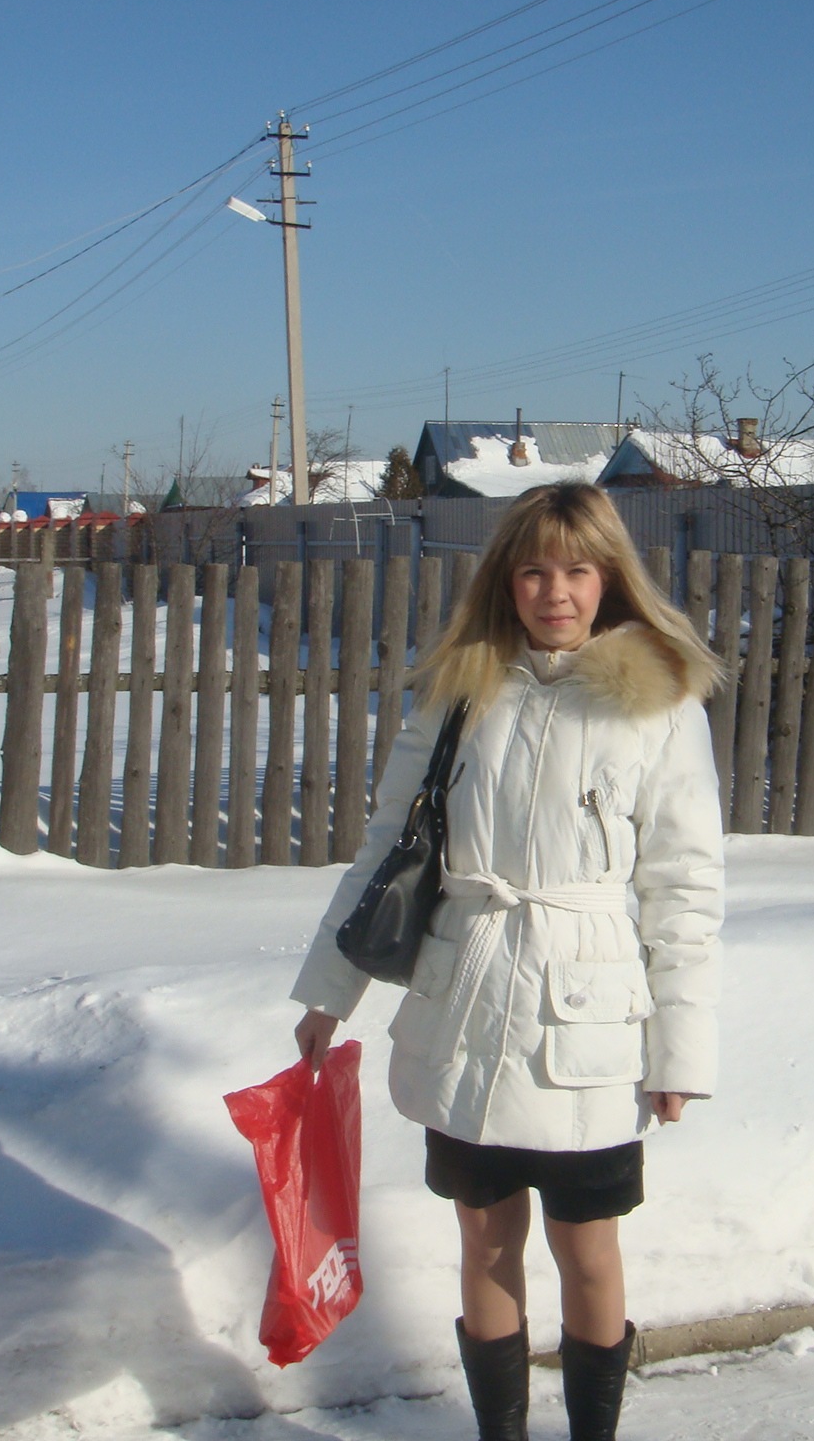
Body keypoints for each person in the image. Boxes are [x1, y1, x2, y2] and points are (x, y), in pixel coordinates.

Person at [291, 482, 724, 1441]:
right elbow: (386, 852)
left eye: (577, 570)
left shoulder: (660, 701)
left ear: (610, 579)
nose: (554, 592)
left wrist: (681, 1052)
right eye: (533, 570)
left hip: (587, 1023)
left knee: (588, 1251)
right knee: (485, 1243)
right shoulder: (462, 688)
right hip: (468, 1007)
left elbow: (684, 888)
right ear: (504, 579)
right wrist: (330, 993)